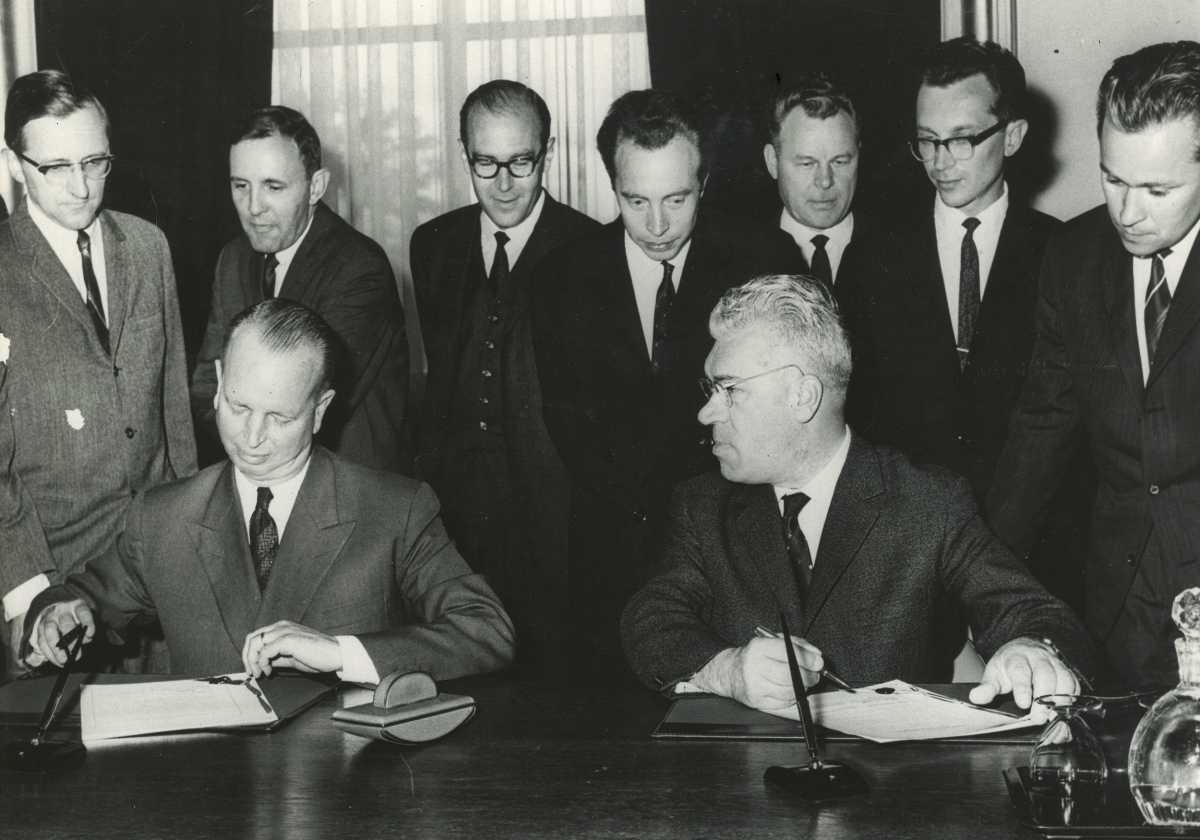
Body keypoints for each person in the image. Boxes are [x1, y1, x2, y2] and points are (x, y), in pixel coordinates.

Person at [622, 275, 1096, 714]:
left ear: (803, 396)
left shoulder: (926, 501)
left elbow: (1031, 610)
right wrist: (725, 670)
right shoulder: (703, 505)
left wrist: (1032, 650)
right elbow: (650, 619)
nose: (707, 414)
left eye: (728, 390)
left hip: (892, 793)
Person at [24, 299, 514, 681]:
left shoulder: (394, 510)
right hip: (207, 793)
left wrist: (340, 654)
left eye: (279, 417)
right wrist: (59, 614)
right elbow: (82, 598)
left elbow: (486, 630)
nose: (252, 437)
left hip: (345, 795)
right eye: (238, 407)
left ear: (321, 410)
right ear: (218, 382)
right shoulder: (161, 517)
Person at [532, 90, 804, 677]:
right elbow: (568, 427)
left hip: (735, 547)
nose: (657, 225)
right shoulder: (560, 278)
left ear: (704, 184)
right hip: (611, 557)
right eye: (636, 201)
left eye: (677, 199)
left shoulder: (764, 258)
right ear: (612, 184)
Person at [987, 41, 1200, 691]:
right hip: (1115, 610)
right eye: (1113, 179)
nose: (1127, 213)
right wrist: (982, 580)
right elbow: (1041, 427)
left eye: (1158, 189)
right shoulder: (1073, 257)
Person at [0, 70, 196, 670]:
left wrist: (194, 544)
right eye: (55, 167)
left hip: (158, 573)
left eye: (95, 161)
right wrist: (32, 597)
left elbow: (174, 414)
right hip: (56, 591)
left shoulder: (148, 247)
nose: (82, 187)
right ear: (13, 164)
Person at [411, 80, 599, 676]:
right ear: (462, 152)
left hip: (558, 528)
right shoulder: (432, 245)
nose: (503, 184)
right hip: (460, 519)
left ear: (549, 151)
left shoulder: (592, 247)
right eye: (484, 163)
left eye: (522, 162)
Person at [840, 38, 1060, 499]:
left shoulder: (1062, 253)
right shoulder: (871, 256)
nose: (939, 162)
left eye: (960, 139)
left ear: (1014, 136)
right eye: (926, 140)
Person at [191, 106, 408, 472]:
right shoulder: (233, 258)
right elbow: (205, 383)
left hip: (346, 489)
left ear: (316, 187)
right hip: (260, 474)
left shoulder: (359, 267)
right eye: (240, 186)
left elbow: (314, 406)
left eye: (273, 187)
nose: (253, 207)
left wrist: (239, 421)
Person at [763, 73, 870, 287]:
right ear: (772, 161)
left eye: (839, 162)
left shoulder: (902, 248)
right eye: (807, 163)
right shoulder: (737, 255)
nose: (824, 181)